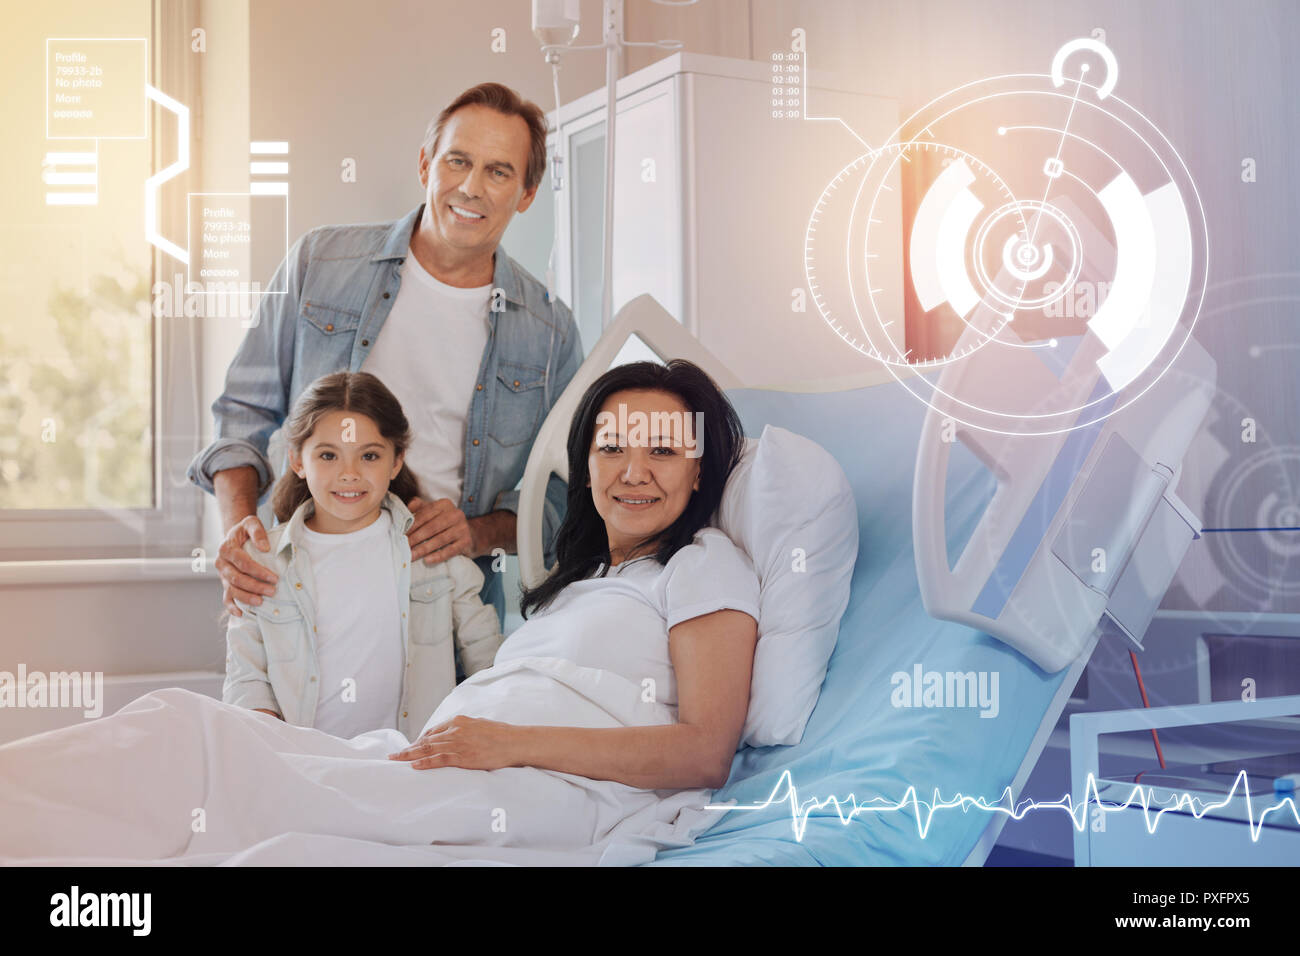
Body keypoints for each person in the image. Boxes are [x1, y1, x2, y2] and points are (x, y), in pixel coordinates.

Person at [0, 360, 761, 864]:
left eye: (662, 451)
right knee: (180, 727)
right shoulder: (585, 579)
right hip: (441, 756)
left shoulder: (703, 567)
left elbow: (703, 753)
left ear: (701, 470)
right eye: (612, 448)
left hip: (534, 789)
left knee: (259, 824)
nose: (633, 472)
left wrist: (507, 744)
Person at [187, 82, 582, 626]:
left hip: (437, 603)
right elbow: (242, 412)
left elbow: (566, 497)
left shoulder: (551, 331)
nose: (471, 187)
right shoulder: (320, 262)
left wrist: (478, 532)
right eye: (458, 161)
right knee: (267, 712)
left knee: (434, 717)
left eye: (499, 171)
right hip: (290, 584)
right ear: (426, 165)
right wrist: (238, 530)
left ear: (527, 193)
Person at [224, 371, 501, 740]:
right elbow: (247, 678)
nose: (350, 474)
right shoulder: (263, 561)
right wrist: (279, 753)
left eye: (369, 455)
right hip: (305, 766)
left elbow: (488, 659)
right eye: (328, 455)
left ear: (397, 460)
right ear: (297, 461)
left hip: (411, 765)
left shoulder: (430, 549)